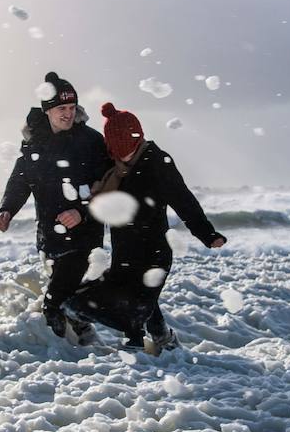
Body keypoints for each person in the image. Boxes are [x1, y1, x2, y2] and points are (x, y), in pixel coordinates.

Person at [63, 102, 226, 351]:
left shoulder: (157, 162)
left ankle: (143, 359)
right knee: (122, 302)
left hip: (154, 252)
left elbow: (183, 200)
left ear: (138, 137)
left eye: (128, 149)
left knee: (136, 309)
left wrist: (207, 233)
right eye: (118, 151)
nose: (124, 156)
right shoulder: (113, 167)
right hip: (124, 253)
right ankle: (163, 344)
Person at [0, 72, 112, 341]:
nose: (68, 114)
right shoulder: (34, 142)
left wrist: (81, 212)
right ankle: (83, 336)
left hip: (84, 236)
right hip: (49, 234)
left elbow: (107, 185)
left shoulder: (91, 142)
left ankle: (63, 358)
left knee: (53, 302)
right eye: (61, 108)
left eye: (72, 108)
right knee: (66, 294)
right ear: (47, 110)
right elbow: (20, 180)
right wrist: (7, 209)